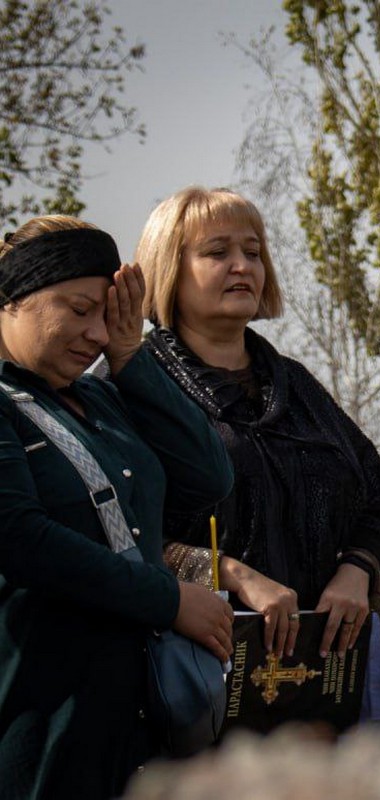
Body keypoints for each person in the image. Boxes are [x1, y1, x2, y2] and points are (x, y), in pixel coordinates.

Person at [0, 217, 234, 798]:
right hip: (44, 722)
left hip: (136, 723)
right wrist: (170, 599)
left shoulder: (100, 397)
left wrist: (133, 355)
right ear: (11, 301)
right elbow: (19, 536)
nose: (98, 333)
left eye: (108, 315)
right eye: (79, 309)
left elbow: (209, 477)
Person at [135, 187, 380, 661]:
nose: (243, 265)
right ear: (169, 266)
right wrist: (226, 572)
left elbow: (373, 498)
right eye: (218, 252)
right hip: (190, 671)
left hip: (319, 668)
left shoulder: (296, 386)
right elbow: (117, 534)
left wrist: (357, 568)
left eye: (252, 252)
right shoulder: (134, 384)